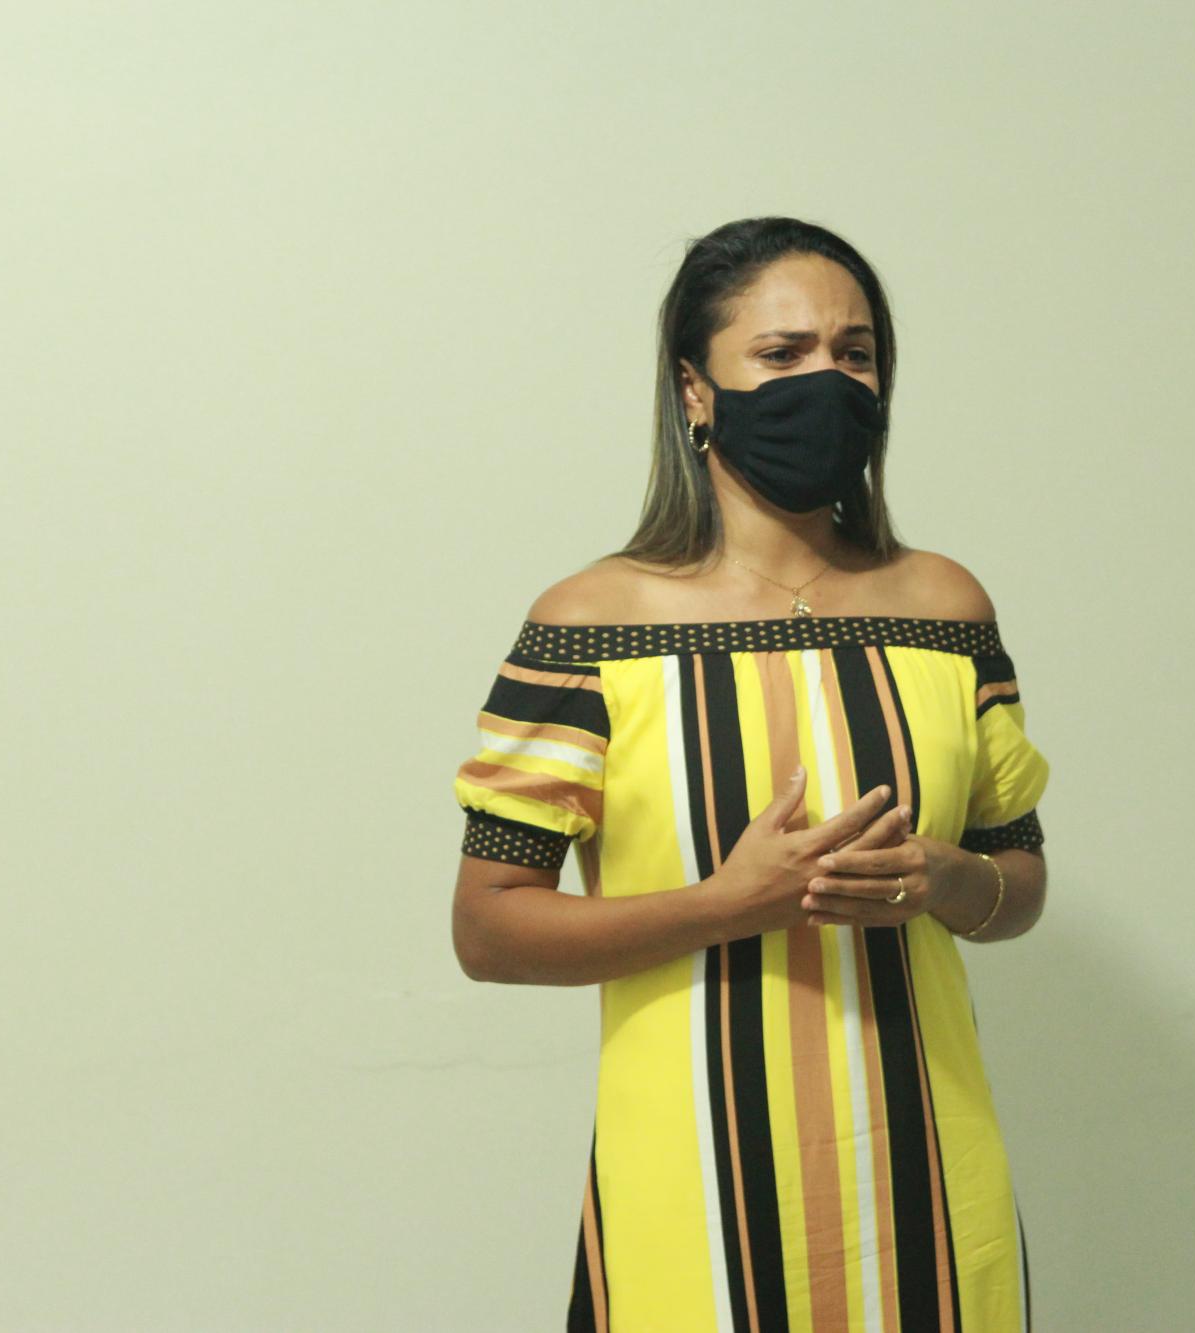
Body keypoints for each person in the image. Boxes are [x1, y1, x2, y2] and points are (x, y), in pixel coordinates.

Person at [451, 215, 1051, 1331]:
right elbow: (489, 928)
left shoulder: (945, 608)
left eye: (854, 352)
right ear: (695, 390)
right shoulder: (590, 625)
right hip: (694, 1191)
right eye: (781, 354)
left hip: (928, 1179)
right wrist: (727, 904)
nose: (827, 380)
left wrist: (944, 877)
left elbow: (1017, 882)